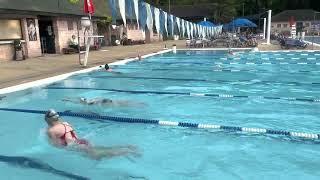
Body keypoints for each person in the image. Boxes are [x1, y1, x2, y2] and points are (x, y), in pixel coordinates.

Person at [44, 109, 140, 160]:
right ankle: (127, 147)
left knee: (97, 155)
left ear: (49, 120)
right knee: (100, 148)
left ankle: (127, 151)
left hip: (75, 146)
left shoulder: (51, 131)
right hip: (82, 141)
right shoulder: (65, 123)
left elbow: (56, 145)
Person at [62, 97, 146, 107]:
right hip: (93, 102)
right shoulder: (91, 103)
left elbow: (126, 103)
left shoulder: (95, 101)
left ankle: (67, 99)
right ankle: (67, 99)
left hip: (100, 100)